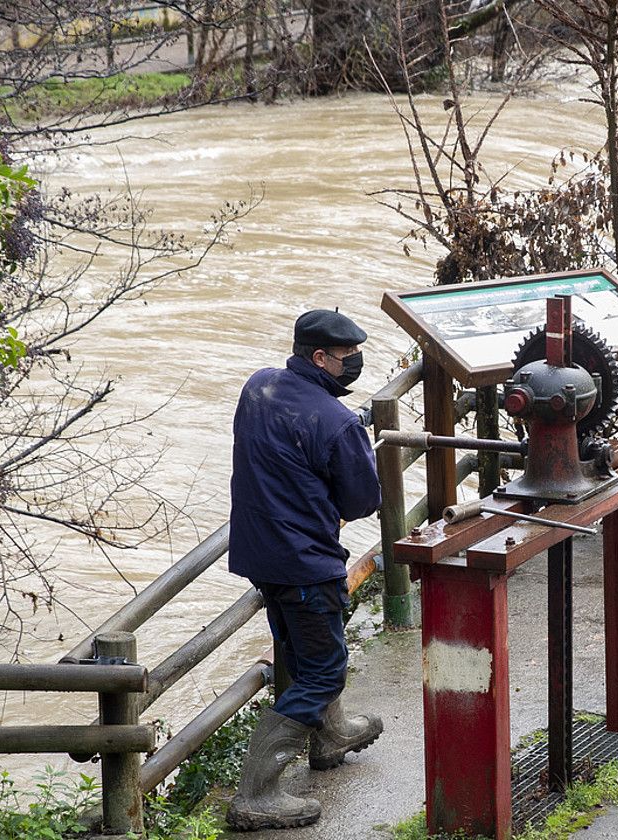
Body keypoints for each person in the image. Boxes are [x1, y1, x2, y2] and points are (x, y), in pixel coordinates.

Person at [225, 309, 383, 831]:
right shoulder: (338, 422)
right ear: (320, 358)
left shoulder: (259, 386)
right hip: (303, 561)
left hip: (259, 551)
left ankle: (332, 733)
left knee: (301, 648)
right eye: (348, 357)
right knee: (324, 669)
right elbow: (362, 500)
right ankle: (257, 793)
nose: (355, 363)